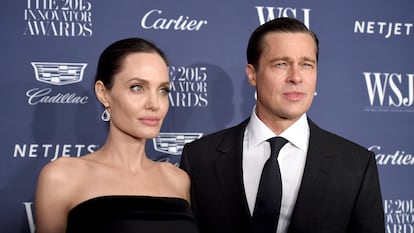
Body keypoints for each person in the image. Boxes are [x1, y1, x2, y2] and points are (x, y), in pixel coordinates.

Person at [180, 17, 385, 233]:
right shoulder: (198, 158)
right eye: (281, 64)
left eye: (306, 64)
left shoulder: (355, 165)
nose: (296, 77)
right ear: (252, 74)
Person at [35, 38, 199, 233]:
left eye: (163, 90)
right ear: (103, 93)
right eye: (137, 87)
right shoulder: (63, 176)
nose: (154, 104)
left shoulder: (178, 180)